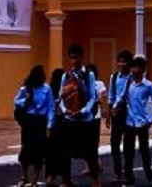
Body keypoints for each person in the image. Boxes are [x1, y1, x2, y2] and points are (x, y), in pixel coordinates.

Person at [112, 55, 152, 186]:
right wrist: (115, 106)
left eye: (136, 67)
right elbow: (121, 96)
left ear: (142, 70)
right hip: (129, 121)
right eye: (132, 67)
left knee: (144, 150)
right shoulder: (129, 83)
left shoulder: (148, 85)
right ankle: (129, 176)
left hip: (142, 122)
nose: (133, 70)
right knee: (128, 151)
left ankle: (149, 173)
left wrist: (151, 119)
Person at [58, 44, 100, 187]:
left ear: (81, 57)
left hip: (85, 119)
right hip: (69, 118)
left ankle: (95, 180)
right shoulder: (66, 75)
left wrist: (82, 111)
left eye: (76, 58)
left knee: (90, 152)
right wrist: (65, 110)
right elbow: (61, 96)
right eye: (71, 58)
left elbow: (92, 97)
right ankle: (66, 180)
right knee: (65, 152)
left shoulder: (88, 75)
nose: (74, 61)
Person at [13, 65, 55, 187]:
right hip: (29, 122)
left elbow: (50, 107)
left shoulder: (46, 89)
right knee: (26, 150)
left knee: (39, 152)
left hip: (40, 121)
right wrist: (25, 100)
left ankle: (35, 180)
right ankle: (24, 177)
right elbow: (16, 102)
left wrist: (50, 124)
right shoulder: (25, 89)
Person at [106, 49, 133, 184]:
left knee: (128, 143)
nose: (121, 64)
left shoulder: (132, 78)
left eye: (124, 61)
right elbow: (111, 95)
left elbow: (125, 94)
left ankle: (128, 171)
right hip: (116, 113)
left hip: (128, 113)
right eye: (120, 61)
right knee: (114, 143)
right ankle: (117, 171)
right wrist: (109, 114)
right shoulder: (114, 77)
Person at [83, 63, 107, 178]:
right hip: (86, 115)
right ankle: (89, 166)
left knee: (93, 141)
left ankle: (97, 163)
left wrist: (96, 100)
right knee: (86, 141)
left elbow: (102, 97)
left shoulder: (99, 83)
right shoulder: (84, 84)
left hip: (95, 116)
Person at [44, 67, 66, 186]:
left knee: (51, 154)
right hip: (62, 125)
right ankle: (64, 178)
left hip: (51, 126)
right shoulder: (64, 90)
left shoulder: (49, 90)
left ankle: (50, 177)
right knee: (63, 153)